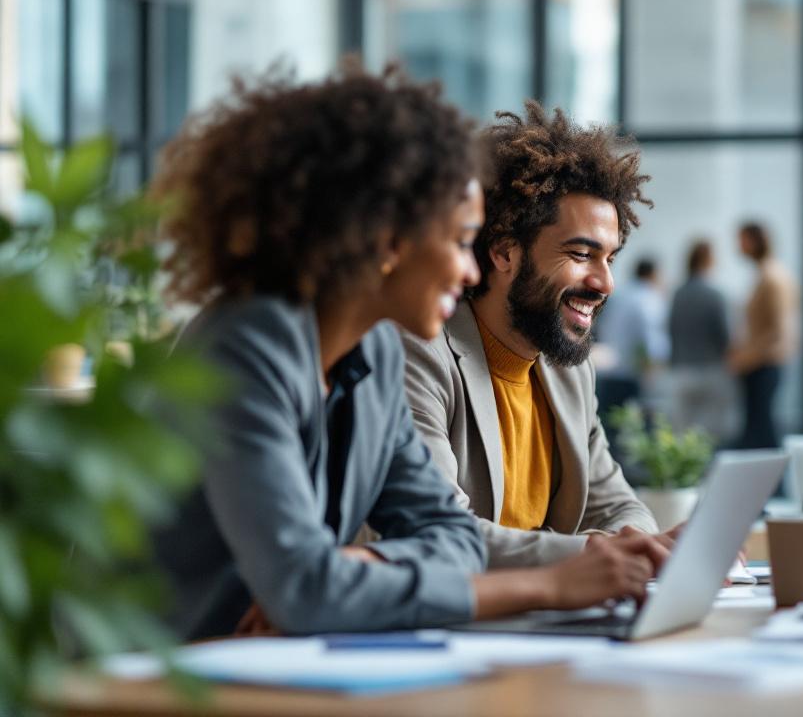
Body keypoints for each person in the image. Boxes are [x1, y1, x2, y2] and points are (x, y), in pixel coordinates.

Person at [150, 66, 665, 641]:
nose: (470, 269)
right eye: (457, 240)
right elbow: (305, 590)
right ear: (387, 242)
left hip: (266, 671)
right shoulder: (244, 348)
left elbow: (454, 538)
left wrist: (370, 566)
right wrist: (549, 586)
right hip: (148, 679)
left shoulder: (372, 357)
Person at [400, 101, 669, 569]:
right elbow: (441, 533)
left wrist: (642, 546)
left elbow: (620, 507)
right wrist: (597, 553)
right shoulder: (420, 353)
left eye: (610, 258)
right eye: (582, 254)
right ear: (505, 253)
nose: (605, 283)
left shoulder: (569, 370)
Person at [729, 222, 798, 449]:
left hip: (764, 365)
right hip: (758, 365)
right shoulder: (765, 274)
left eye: (742, 239)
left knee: (763, 433)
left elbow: (780, 331)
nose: (738, 245)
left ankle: (777, 484)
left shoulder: (772, 276)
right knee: (759, 431)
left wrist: (746, 357)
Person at [667, 239, 733, 440]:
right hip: (711, 370)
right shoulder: (715, 295)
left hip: (682, 371)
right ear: (708, 260)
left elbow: (671, 330)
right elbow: (724, 336)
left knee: (681, 435)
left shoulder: (678, 294)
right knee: (710, 435)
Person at [593, 257, 669, 413]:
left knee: (608, 422)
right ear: (653, 274)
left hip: (609, 369)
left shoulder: (618, 295)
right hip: (633, 373)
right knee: (634, 427)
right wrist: (654, 366)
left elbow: (600, 326)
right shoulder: (648, 298)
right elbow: (650, 339)